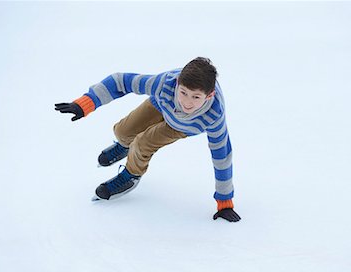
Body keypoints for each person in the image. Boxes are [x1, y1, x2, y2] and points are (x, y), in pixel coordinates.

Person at [55, 57, 241, 222]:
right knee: (122, 131)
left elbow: (222, 155)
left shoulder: (214, 116)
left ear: (209, 96)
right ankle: (124, 146)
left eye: (196, 97)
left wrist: (224, 200)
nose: (187, 102)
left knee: (142, 143)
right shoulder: (164, 84)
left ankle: (131, 175)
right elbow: (121, 81)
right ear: (177, 84)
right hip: (161, 104)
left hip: (182, 126)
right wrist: (86, 103)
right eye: (183, 92)